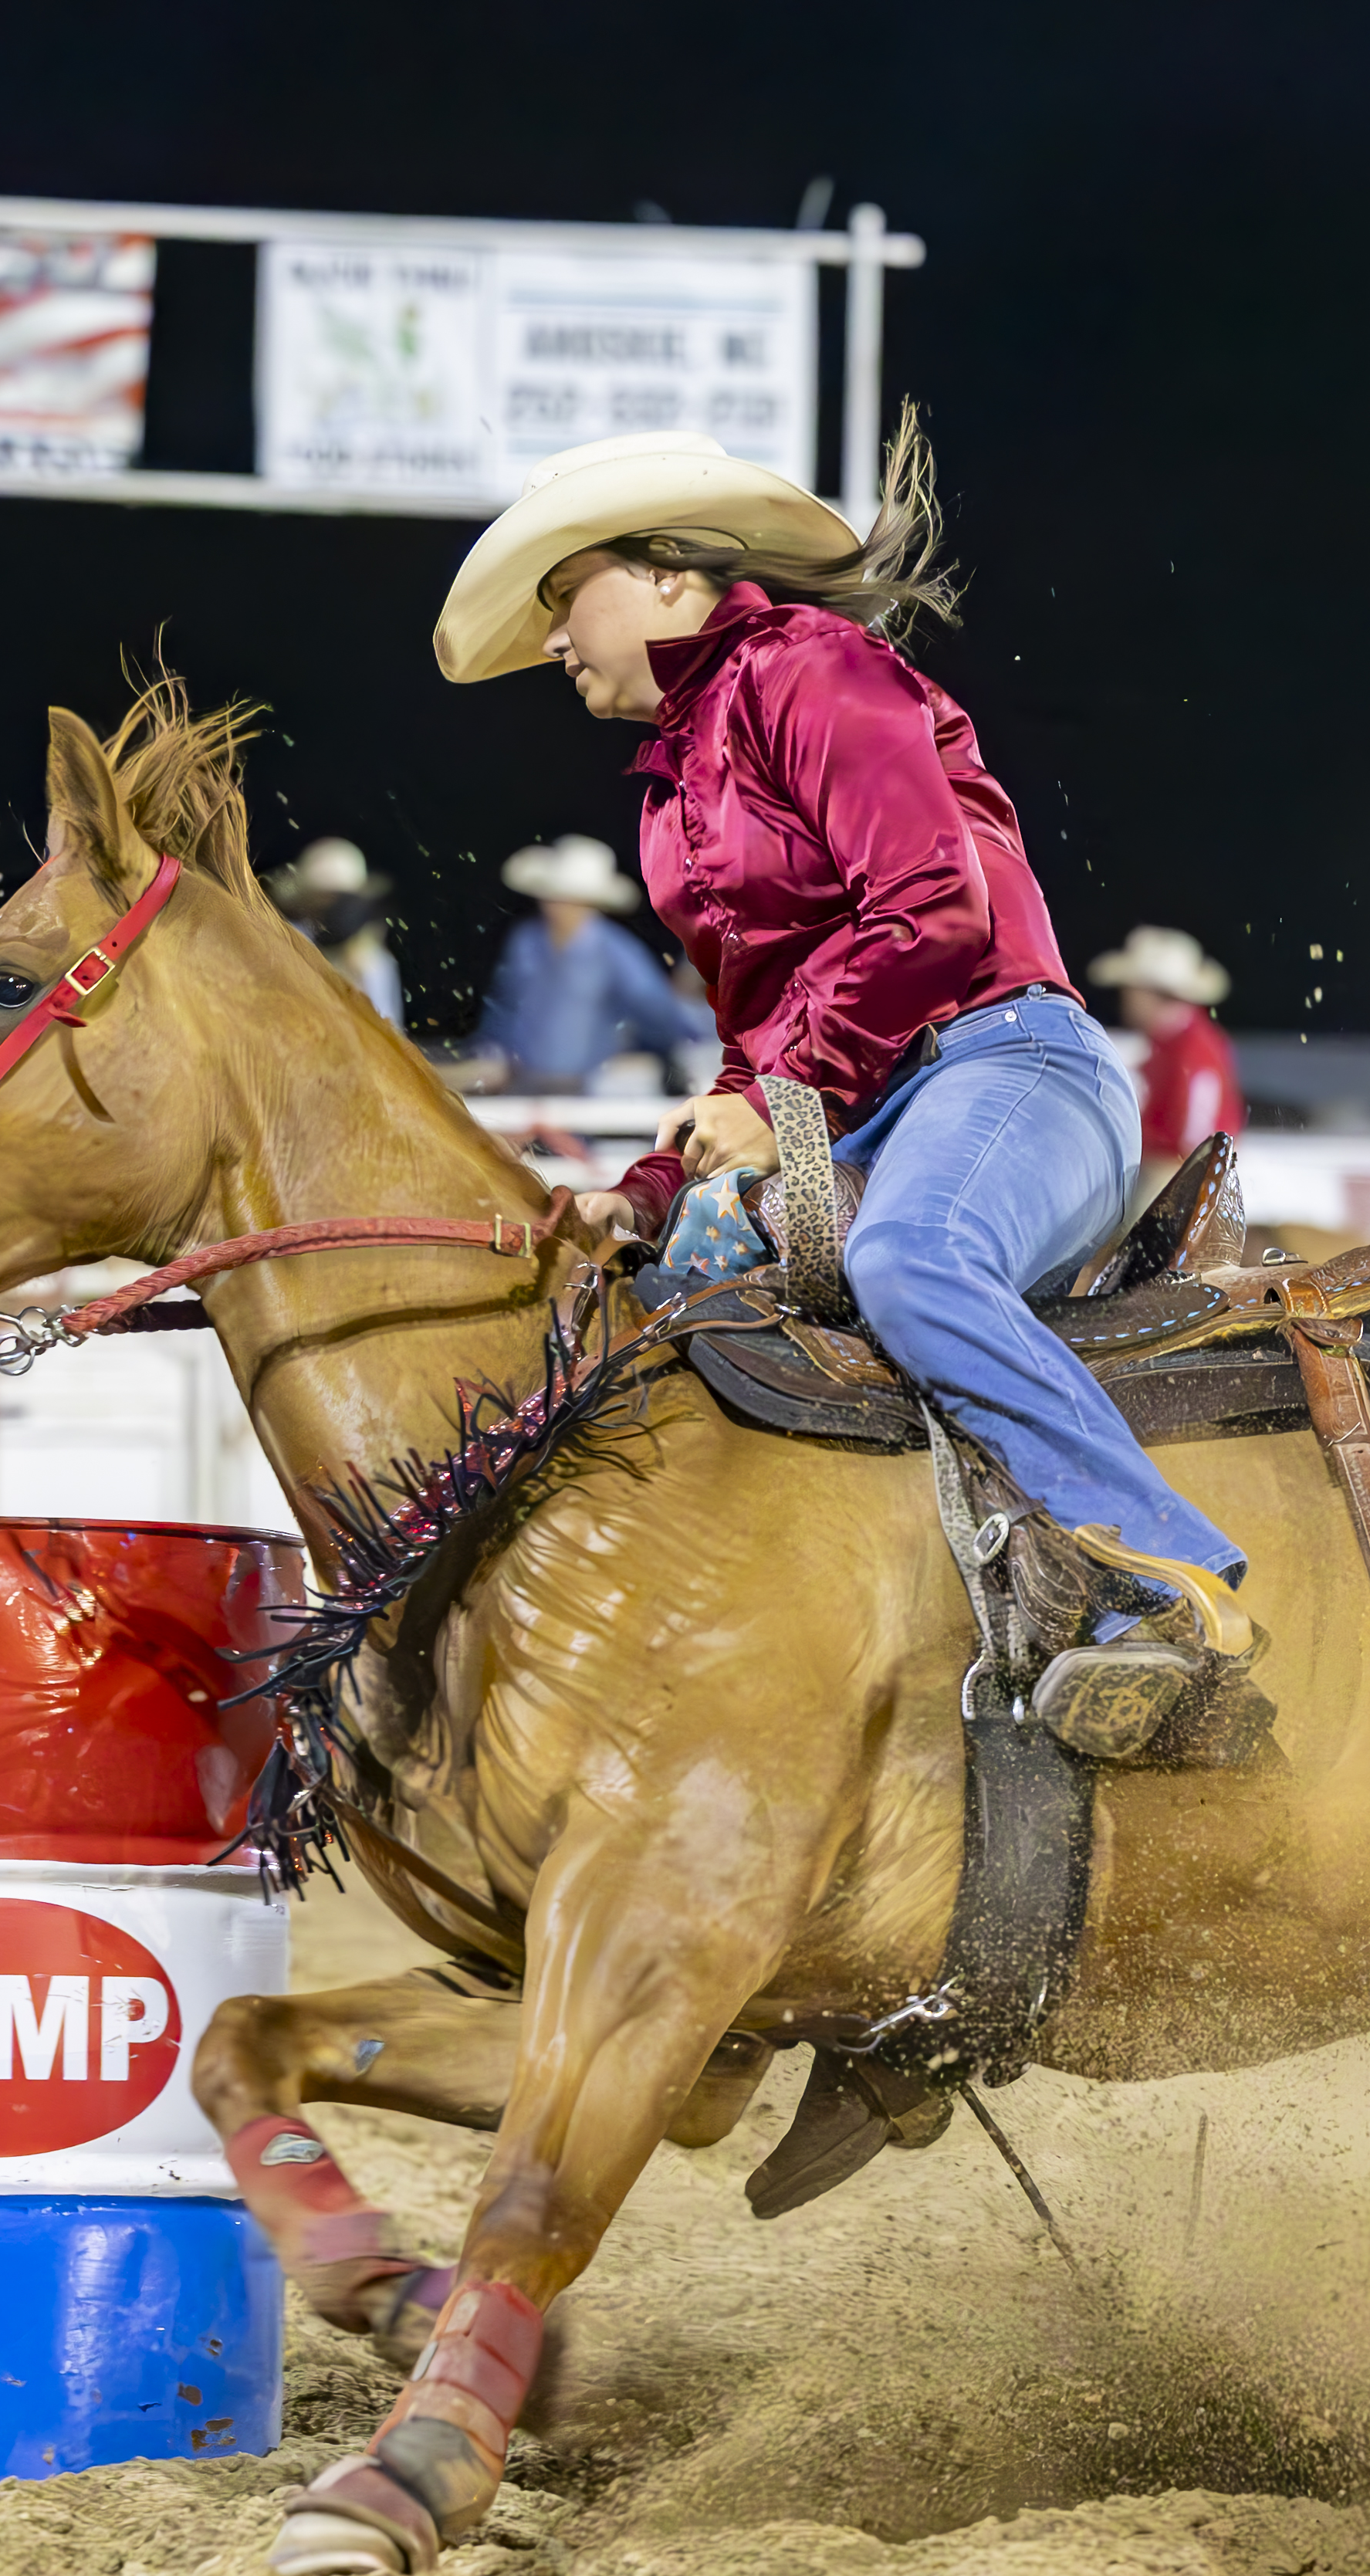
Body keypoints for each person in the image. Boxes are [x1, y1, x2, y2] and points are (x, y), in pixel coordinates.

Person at [432, 412, 1261, 1761]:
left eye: (562, 594)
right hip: (871, 1109)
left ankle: (1170, 1578)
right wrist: (648, 1194)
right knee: (658, 1313)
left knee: (914, 1258)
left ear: (665, 571)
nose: (552, 639)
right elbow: (755, 1046)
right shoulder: (666, 800)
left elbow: (933, 907)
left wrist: (781, 1096)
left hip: (1010, 1063)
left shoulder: (810, 667)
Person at [471, 833, 711, 1089]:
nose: (557, 907)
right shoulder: (526, 941)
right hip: (522, 1083)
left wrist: (656, 1049)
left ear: (589, 904)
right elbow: (504, 1006)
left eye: (569, 900)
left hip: (586, 1091)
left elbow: (657, 1010)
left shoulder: (615, 949)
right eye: (553, 896)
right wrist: (490, 1051)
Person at [1086, 925, 1242, 1197]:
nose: (1125, 1001)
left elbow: (1195, 1142)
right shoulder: (1169, 1044)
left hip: (1180, 1177)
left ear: (1151, 995)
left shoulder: (1194, 1052)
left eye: (1130, 991)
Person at [273, 836, 411, 1031]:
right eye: (321, 896)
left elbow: (388, 1033)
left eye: (337, 897)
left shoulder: (370, 962)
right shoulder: (280, 937)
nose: (328, 904)